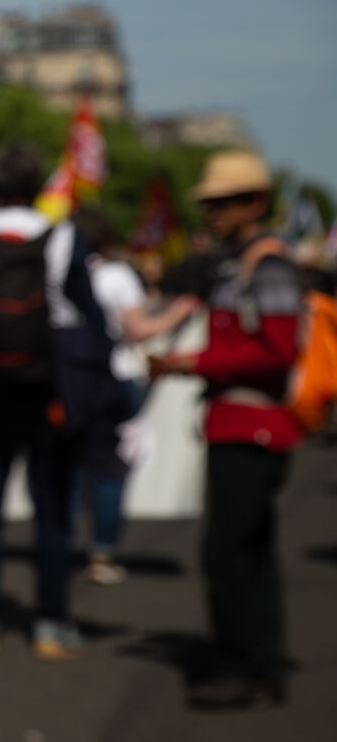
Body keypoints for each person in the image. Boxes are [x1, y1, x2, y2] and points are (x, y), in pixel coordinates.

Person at [149, 150, 302, 709]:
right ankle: (260, 663)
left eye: (225, 201)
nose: (212, 212)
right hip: (238, 424)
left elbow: (278, 351)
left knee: (229, 553)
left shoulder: (267, 265)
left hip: (252, 426)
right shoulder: (239, 263)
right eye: (209, 203)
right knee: (248, 551)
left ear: (256, 203)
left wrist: (193, 364)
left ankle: (244, 664)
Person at [0, 141, 109, 661]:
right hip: (49, 387)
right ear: (40, 185)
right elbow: (88, 311)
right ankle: (49, 623)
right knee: (51, 506)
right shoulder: (64, 236)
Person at [71, 208, 201, 585]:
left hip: (71, 380)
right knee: (110, 469)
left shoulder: (60, 272)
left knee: (71, 467)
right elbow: (137, 330)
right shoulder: (116, 275)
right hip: (115, 379)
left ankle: (60, 545)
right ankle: (102, 552)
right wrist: (177, 313)